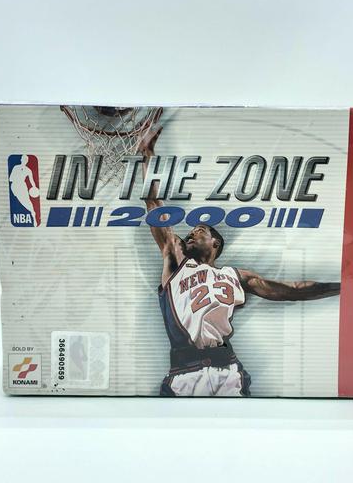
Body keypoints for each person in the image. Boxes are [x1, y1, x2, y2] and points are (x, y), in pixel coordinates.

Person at [137, 111, 340, 396]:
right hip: (183, 371)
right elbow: (153, 203)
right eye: (191, 231)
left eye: (199, 230)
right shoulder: (176, 260)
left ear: (215, 244)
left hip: (227, 371)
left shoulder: (235, 277)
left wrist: (343, 288)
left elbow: (293, 290)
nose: (191, 233)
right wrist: (145, 154)